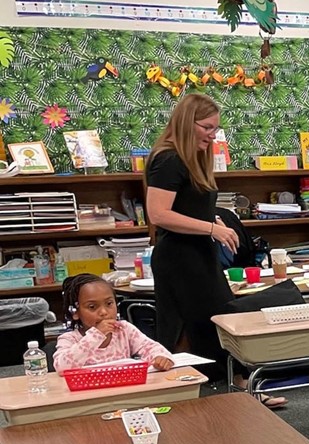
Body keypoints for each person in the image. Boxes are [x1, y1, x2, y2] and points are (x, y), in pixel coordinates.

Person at [143, 95, 285, 404]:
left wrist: (212, 218)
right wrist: (212, 228)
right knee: (190, 324)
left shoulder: (192, 159)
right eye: (207, 127)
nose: (212, 134)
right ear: (186, 122)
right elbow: (158, 214)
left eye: (215, 128)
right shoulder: (168, 159)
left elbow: (187, 206)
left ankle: (238, 383)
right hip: (178, 258)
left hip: (197, 254)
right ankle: (181, 389)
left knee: (218, 318)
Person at [54, 274, 173, 372]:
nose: (104, 312)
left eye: (109, 303)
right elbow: (62, 367)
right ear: (75, 312)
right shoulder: (69, 339)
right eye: (92, 307)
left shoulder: (124, 329)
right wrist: (96, 335)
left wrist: (160, 357)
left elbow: (151, 347)